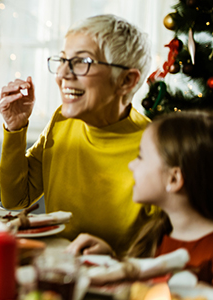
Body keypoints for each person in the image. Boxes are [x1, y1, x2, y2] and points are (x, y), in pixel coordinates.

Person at [0, 14, 158, 256]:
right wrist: (15, 128)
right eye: (63, 59)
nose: (62, 74)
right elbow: (17, 199)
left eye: (82, 61)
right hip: (56, 270)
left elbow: (172, 255)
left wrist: (116, 258)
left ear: (126, 80)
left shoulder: (157, 149)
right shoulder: (62, 120)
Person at [67, 111, 213, 283]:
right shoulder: (158, 236)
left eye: (140, 157)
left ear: (173, 179)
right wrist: (111, 260)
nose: (131, 165)